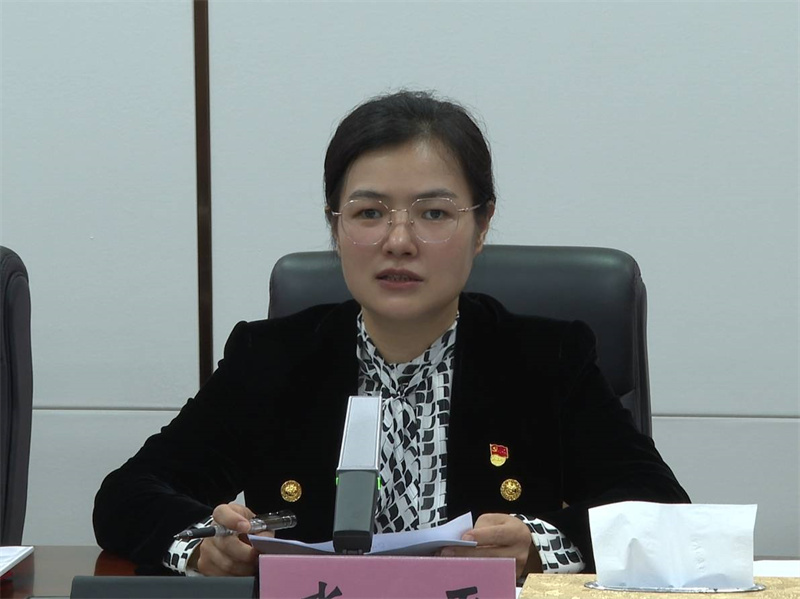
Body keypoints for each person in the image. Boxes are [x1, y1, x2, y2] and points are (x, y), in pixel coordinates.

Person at [93, 90, 689, 579]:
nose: (398, 241)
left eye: (434, 213)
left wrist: (537, 544)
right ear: (336, 226)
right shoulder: (272, 359)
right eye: (369, 213)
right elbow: (127, 494)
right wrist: (202, 545)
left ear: (482, 225)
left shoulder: (547, 360)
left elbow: (662, 512)